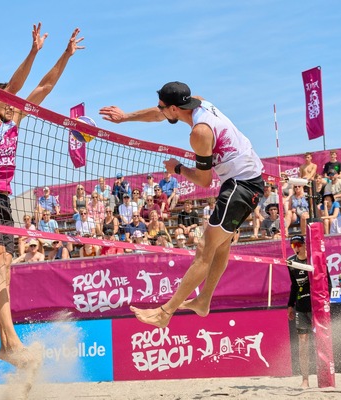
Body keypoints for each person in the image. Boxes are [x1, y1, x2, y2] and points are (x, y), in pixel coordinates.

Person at [0, 24, 83, 367]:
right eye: (7, 100)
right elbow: (14, 89)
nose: (14, 105)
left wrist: (65, 54)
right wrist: (33, 51)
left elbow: (43, 86)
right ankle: (11, 342)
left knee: (4, 263)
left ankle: (7, 345)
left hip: (2, 199)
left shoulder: (13, 117)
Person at [100, 80, 264, 327]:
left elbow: (204, 180)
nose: (160, 111)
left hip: (242, 186)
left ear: (175, 109)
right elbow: (158, 114)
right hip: (242, 181)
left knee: (203, 247)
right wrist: (125, 118)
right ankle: (203, 301)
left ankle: (164, 313)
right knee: (220, 246)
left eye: (163, 107)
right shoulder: (199, 102)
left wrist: (177, 168)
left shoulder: (199, 133)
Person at [286, 235, 313, 388]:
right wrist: (290, 305)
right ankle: (305, 380)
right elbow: (294, 286)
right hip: (301, 306)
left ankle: (327, 375)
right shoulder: (291, 263)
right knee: (303, 345)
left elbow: (326, 282)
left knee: (323, 341)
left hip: (316, 306)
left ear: (304, 245)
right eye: (293, 245)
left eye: (298, 244)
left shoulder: (314, 258)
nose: (296, 248)